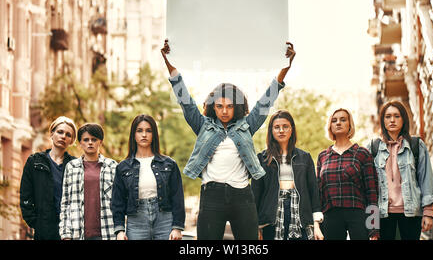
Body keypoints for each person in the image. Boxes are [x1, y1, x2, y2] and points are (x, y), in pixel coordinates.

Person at [160, 39, 296, 240]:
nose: (224, 111)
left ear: (237, 107)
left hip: (242, 196)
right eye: (219, 106)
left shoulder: (247, 126)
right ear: (213, 107)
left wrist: (286, 67)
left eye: (230, 106)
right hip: (212, 195)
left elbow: (266, 100)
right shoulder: (203, 125)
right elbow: (185, 101)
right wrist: (169, 62)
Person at [367, 101, 433, 240]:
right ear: (383, 121)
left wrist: (428, 213)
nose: (392, 120)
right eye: (388, 116)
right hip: (382, 215)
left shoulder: (416, 145)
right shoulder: (373, 148)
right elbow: (369, 189)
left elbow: (426, 179)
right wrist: (371, 222)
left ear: (403, 119)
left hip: (411, 213)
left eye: (396, 116)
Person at [251, 110, 324, 240]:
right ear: (271, 131)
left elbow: (313, 192)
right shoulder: (262, 159)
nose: (281, 130)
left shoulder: (305, 158)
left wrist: (316, 225)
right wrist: (255, 227)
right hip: (271, 218)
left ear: (292, 130)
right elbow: (255, 194)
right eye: (277, 127)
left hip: (300, 215)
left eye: (285, 126)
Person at [111, 114, 185, 240]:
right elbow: (117, 202)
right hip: (136, 222)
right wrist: (119, 230)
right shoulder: (123, 167)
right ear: (133, 135)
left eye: (148, 131)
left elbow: (177, 197)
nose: (144, 135)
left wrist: (177, 227)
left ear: (154, 134)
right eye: (139, 131)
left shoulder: (169, 164)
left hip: (164, 220)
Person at [316, 108, 379, 240]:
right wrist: (317, 224)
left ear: (350, 124)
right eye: (334, 120)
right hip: (330, 216)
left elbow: (372, 193)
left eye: (343, 120)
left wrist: (374, 229)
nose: (338, 123)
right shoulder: (323, 156)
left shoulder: (363, 154)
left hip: (357, 215)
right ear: (330, 126)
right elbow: (318, 193)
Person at [20, 116, 77, 240]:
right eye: (60, 132)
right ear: (52, 134)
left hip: (70, 230)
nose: (63, 136)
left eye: (68, 135)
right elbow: (25, 194)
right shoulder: (34, 161)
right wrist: (36, 222)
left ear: (71, 140)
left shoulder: (75, 165)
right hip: (44, 229)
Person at [59, 123, 117, 240]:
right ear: (80, 143)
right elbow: (66, 203)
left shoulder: (112, 166)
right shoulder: (71, 167)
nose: (90, 142)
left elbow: (120, 201)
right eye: (86, 140)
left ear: (100, 142)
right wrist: (65, 233)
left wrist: (121, 230)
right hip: (78, 233)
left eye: (94, 139)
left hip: (108, 232)